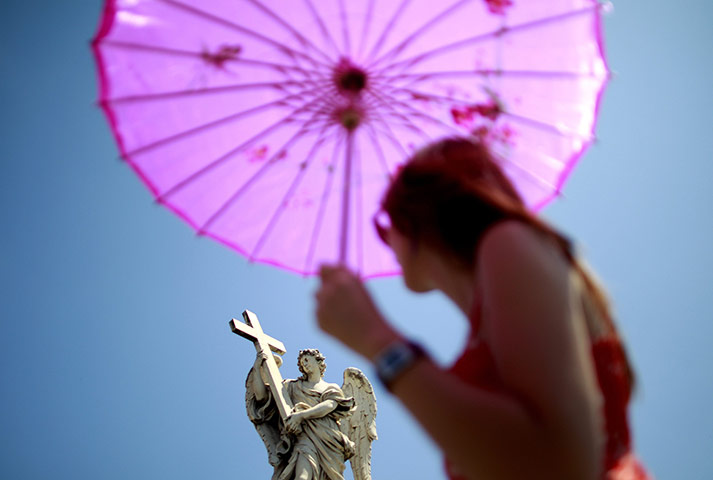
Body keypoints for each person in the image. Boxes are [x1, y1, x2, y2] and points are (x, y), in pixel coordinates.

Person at [314, 137, 650, 480]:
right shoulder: (491, 316)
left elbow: (557, 466)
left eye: (384, 226)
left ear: (411, 217)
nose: (387, 244)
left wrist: (377, 339)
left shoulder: (507, 240)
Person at [246, 349, 355, 480]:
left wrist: (301, 415)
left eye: (307, 360)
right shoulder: (292, 387)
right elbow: (261, 396)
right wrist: (258, 367)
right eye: (302, 362)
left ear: (319, 362)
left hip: (329, 440)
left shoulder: (331, 387)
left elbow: (329, 405)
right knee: (302, 477)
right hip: (305, 437)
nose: (304, 364)